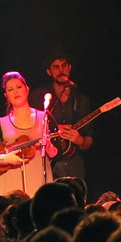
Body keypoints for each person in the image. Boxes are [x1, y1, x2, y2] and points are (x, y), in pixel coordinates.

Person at [0, 71, 56, 198]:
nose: (15, 92)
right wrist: (4, 159)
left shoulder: (45, 117)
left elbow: (57, 153)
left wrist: (50, 147)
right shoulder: (0, 123)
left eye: (19, 87)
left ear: (27, 89)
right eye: (10, 89)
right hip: (11, 182)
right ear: (6, 95)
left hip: (39, 179)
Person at [43, 49, 94, 181]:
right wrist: (55, 128)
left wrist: (80, 140)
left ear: (69, 68)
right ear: (49, 71)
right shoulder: (41, 97)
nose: (61, 70)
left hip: (74, 165)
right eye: (56, 67)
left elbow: (89, 138)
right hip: (47, 165)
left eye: (64, 65)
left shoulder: (81, 99)